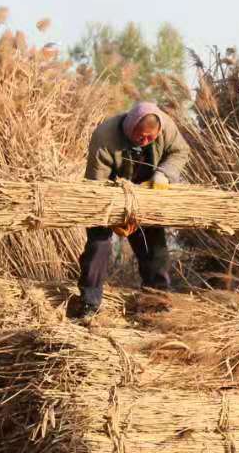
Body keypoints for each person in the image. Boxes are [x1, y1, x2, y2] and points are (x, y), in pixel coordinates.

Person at [76, 100, 190, 324]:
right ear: (130, 127)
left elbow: (180, 151)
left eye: (151, 138)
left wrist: (164, 174)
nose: (146, 141)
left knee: (155, 248)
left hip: (145, 192)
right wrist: (113, 216)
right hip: (110, 194)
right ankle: (90, 304)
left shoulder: (166, 127)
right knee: (99, 246)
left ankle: (156, 303)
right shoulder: (105, 136)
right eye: (142, 137)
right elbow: (96, 184)